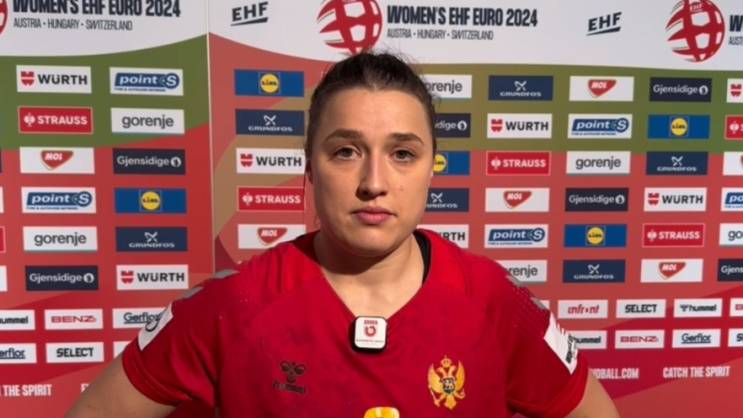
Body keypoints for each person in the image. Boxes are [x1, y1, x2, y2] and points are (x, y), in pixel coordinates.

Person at [65, 52, 620, 418]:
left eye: (403, 153)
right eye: (346, 151)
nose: (374, 182)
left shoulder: (493, 301)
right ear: (309, 165)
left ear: (433, 168)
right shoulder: (236, 305)